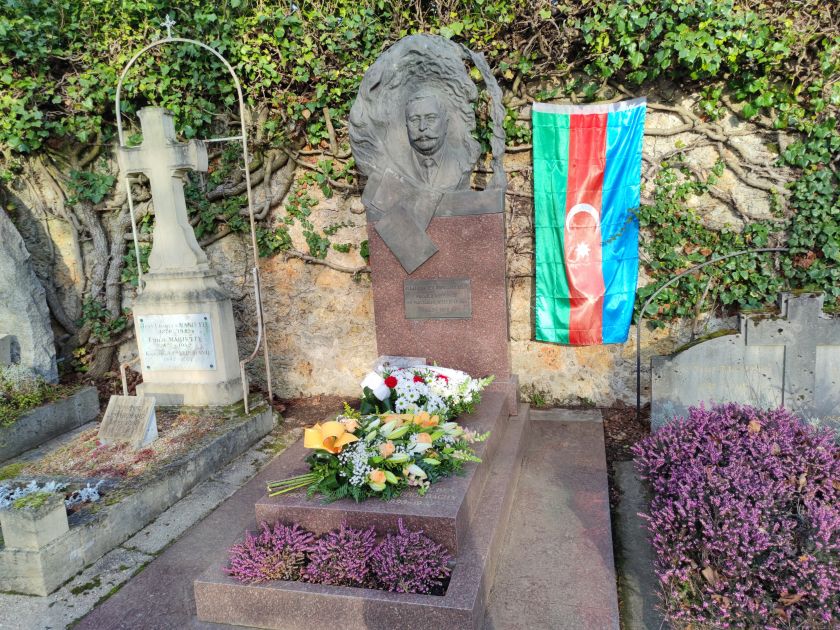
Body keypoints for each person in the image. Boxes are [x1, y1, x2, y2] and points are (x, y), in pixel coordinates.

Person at [403, 89, 473, 190]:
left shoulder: (462, 162)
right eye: (414, 120)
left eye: (431, 119)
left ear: (446, 123)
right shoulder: (394, 166)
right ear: (406, 126)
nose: (422, 127)